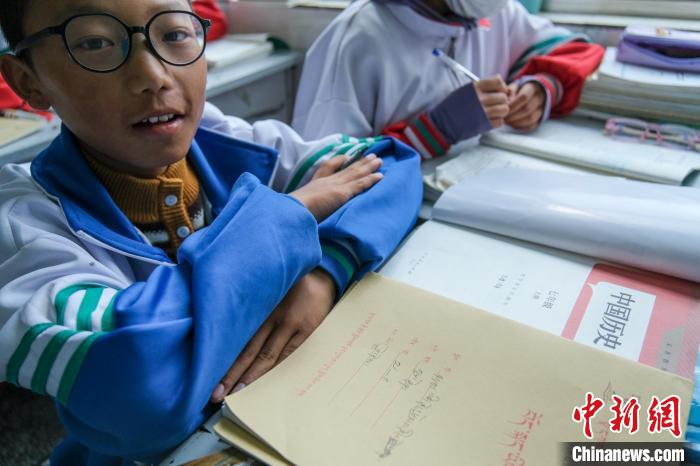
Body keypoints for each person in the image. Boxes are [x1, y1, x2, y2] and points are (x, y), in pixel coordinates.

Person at [0, 0, 422, 464]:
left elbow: (391, 166)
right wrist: (287, 215)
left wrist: (323, 272)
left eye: (174, 34)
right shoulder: (25, 224)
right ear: (28, 81)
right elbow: (143, 392)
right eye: (96, 43)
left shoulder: (218, 140)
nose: (154, 76)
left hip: (289, 413)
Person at [292, 0, 605, 160]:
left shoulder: (493, 14)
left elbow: (576, 50)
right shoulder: (358, 40)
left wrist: (542, 87)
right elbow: (323, 175)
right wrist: (432, 132)